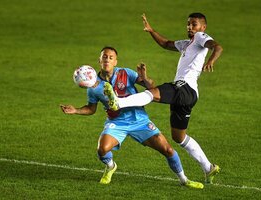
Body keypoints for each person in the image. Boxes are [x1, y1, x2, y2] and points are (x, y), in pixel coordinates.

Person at [60, 46, 204, 188]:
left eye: (111, 58)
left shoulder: (125, 73)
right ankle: (110, 166)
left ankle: (184, 180)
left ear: (115, 61)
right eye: (104, 57)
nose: (107, 60)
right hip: (117, 122)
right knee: (102, 149)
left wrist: (145, 76)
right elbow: (91, 108)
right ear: (99, 60)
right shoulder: (93, 85)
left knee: (168, 150)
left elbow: (151, 87)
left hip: (139, 120)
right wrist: (76, 110)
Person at [104, 13, 223, 184]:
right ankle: (208, 168)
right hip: (188, 96)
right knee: (179, 137)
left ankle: (119, 102)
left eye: (194, 24)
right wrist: (151, 30)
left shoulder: (200, 37)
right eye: (188, 24)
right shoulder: (187, 44)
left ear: (203, 27)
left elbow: (217, 47)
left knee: (152, 92)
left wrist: (211, 60)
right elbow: (166, 44)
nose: (190, 27)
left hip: (184, 88)